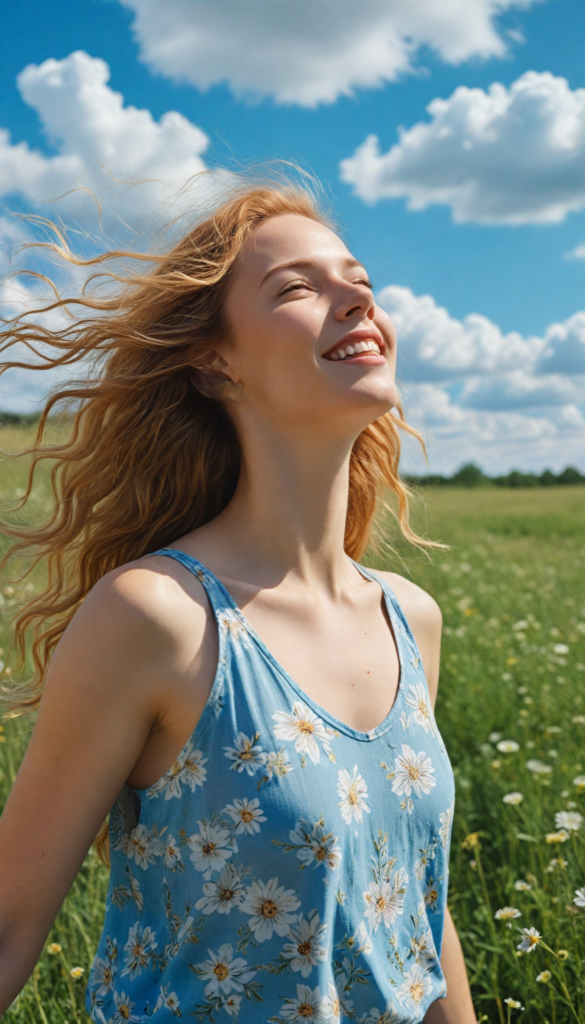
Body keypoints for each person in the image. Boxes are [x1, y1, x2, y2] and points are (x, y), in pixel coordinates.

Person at [0, 180, 476, 1022]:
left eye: (359, 279)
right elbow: (9, 925)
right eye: (296, 288)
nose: (356, 299)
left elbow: (412, 907)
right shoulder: (158, 616)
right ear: (214, 361)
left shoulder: (410, 619)